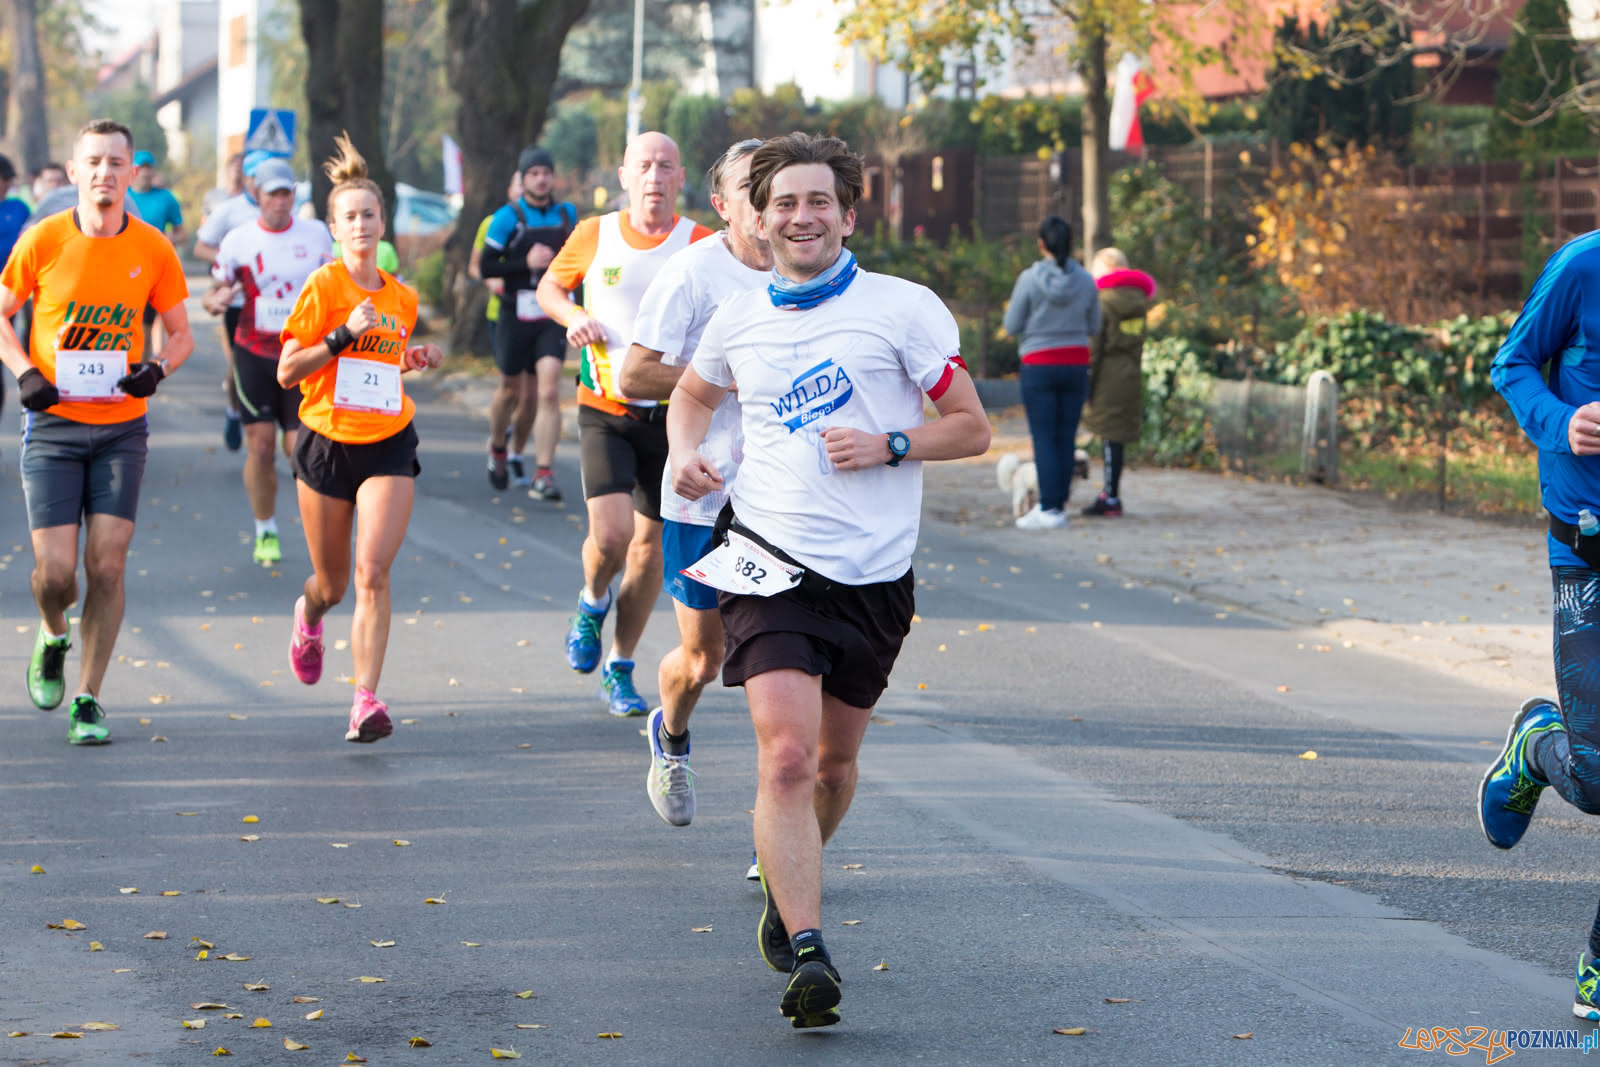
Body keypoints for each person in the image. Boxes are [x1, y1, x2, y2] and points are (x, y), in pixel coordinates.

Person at [666, 132, 990, 1028]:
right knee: (787, 755)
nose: (801, 217)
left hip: (874, 577)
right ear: (758, 218)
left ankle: (786, 880)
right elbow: (691, 395)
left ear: (850, 214)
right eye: (784, 203)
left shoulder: (903, 309)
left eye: (819, 202)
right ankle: (808, 947)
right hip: (767, 559)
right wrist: (687, 454)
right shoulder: (738, 319)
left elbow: (969, 428)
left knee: (836, 767)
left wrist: (891, 443)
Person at [0, 118, 192, 745]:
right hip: (53, 426)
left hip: (119, 430)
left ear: (131, 174)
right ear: (75, 172)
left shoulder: (153, 248)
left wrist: (156, 368)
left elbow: (181, 331)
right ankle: (53, 633)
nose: (105, 173)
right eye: (94, 162)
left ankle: (88, 697)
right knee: (57, 576)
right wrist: (25, 369)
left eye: (117, 163)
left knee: (107, 565)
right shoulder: (44, 239)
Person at [618, 137, 769, 828]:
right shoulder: (694, 273)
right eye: (754, 186)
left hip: (786, 499)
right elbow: (634, 373)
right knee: (706, 659)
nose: (773, 200)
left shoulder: (815, 266)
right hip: (702, 491)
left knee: (782, 665)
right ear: (722, 204)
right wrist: (720, 377)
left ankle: (780, 827)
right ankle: (670, 735)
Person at [536, 132, 713, 717]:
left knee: (647, 550)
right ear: (624, 175)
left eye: (666, 165)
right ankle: (591, 600)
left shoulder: (700, 244)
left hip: (673, 417)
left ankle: (619, 664)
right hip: (605, 407)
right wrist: (572, 316)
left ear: (681, 177)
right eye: (645, 165)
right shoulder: (595, 234)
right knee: (610, 536)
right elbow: (549, 287)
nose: (655, 176)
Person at [277, 134, 443, 744]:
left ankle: (365, 700)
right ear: (333, 229)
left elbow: (378, 368)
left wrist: (411, 359)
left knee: (372, 572)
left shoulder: (402, 296)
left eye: (369, 214)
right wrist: (343, 333)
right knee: (332, 584)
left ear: (383, 222)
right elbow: (289, 372)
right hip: (325, 443)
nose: (361, 225)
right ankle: (309, 616)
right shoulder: (323, 288)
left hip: (389, 440)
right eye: (349, 217)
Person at [1481, 228, 1600, 1021]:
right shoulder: (1584, 264)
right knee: (1596, 777)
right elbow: (1511, 364)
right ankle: (1536, 742)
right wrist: (1562, 423)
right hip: (1587, 544)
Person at [205, 157, 334, 566]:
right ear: (257, 195)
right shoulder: (238, 240)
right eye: (273, 193)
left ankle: (317, 526)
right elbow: (214, 293)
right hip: (254, 353)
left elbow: (333, 285)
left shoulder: (315, 236)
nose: (281, 201)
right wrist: (217, 300)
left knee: (299, 448)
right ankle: (265, 529)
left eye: (287, 193)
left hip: (300, 356)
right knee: (260, 448)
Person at [479, 146, 576, 497]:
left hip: (551, 314)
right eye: (533, 173)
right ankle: (498, 446)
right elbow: (487, 266)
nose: (541, 178)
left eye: (546, 172)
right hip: (514, 314)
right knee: (510, 391)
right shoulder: (507, 217)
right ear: (523, 179)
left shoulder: (567, 215)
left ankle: (544, 472)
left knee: (548, 390)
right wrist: (526, 262)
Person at [1000, 215, 1101, 530]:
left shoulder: (1029, 280)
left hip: (1039, 365)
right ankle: (1059, 506)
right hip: (1075, 365)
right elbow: (1095, 326)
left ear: (1041, 244)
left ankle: (1050, 509)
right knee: (1066, 437)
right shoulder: (1086, 280)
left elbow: (1012, 324)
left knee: (1043, 437)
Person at [196, 150, 269, 452]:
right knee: (239, 365)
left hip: (278, 305)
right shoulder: (229, 210)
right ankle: (234, 411)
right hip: (239, 302)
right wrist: (231, 263)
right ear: (247, 179)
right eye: (255, 178)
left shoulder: (286, 210)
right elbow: (201, 247)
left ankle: (278, 420)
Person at [1080, 247, 1156, 517]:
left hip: (1109, 377)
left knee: (1110, 438)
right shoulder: (1139, 302)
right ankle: (1111, 492)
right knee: (1117, 438)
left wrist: (1087, 385)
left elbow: (1096, 348)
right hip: (1131, 373)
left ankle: (1111, 497)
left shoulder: (1104, 301)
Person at [128, 150, 187, 360]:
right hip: (121, 265)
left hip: (152, 269)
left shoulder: (166, 198)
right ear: (132, 170)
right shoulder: (122, 195)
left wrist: (164, 241)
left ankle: (140, 369)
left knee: (144, 324)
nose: (144, 173)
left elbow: (182, 233)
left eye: (148, 168)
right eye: (140, 168)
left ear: (153, 171)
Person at [468, 170, 522, 364]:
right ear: (510, 191)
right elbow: (474, 267)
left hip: (539, 315)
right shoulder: (491, 223)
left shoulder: (549, 223)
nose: (525, 189)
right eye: (520, 184)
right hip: (500, 310)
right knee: (510, 379)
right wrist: (492, 282)